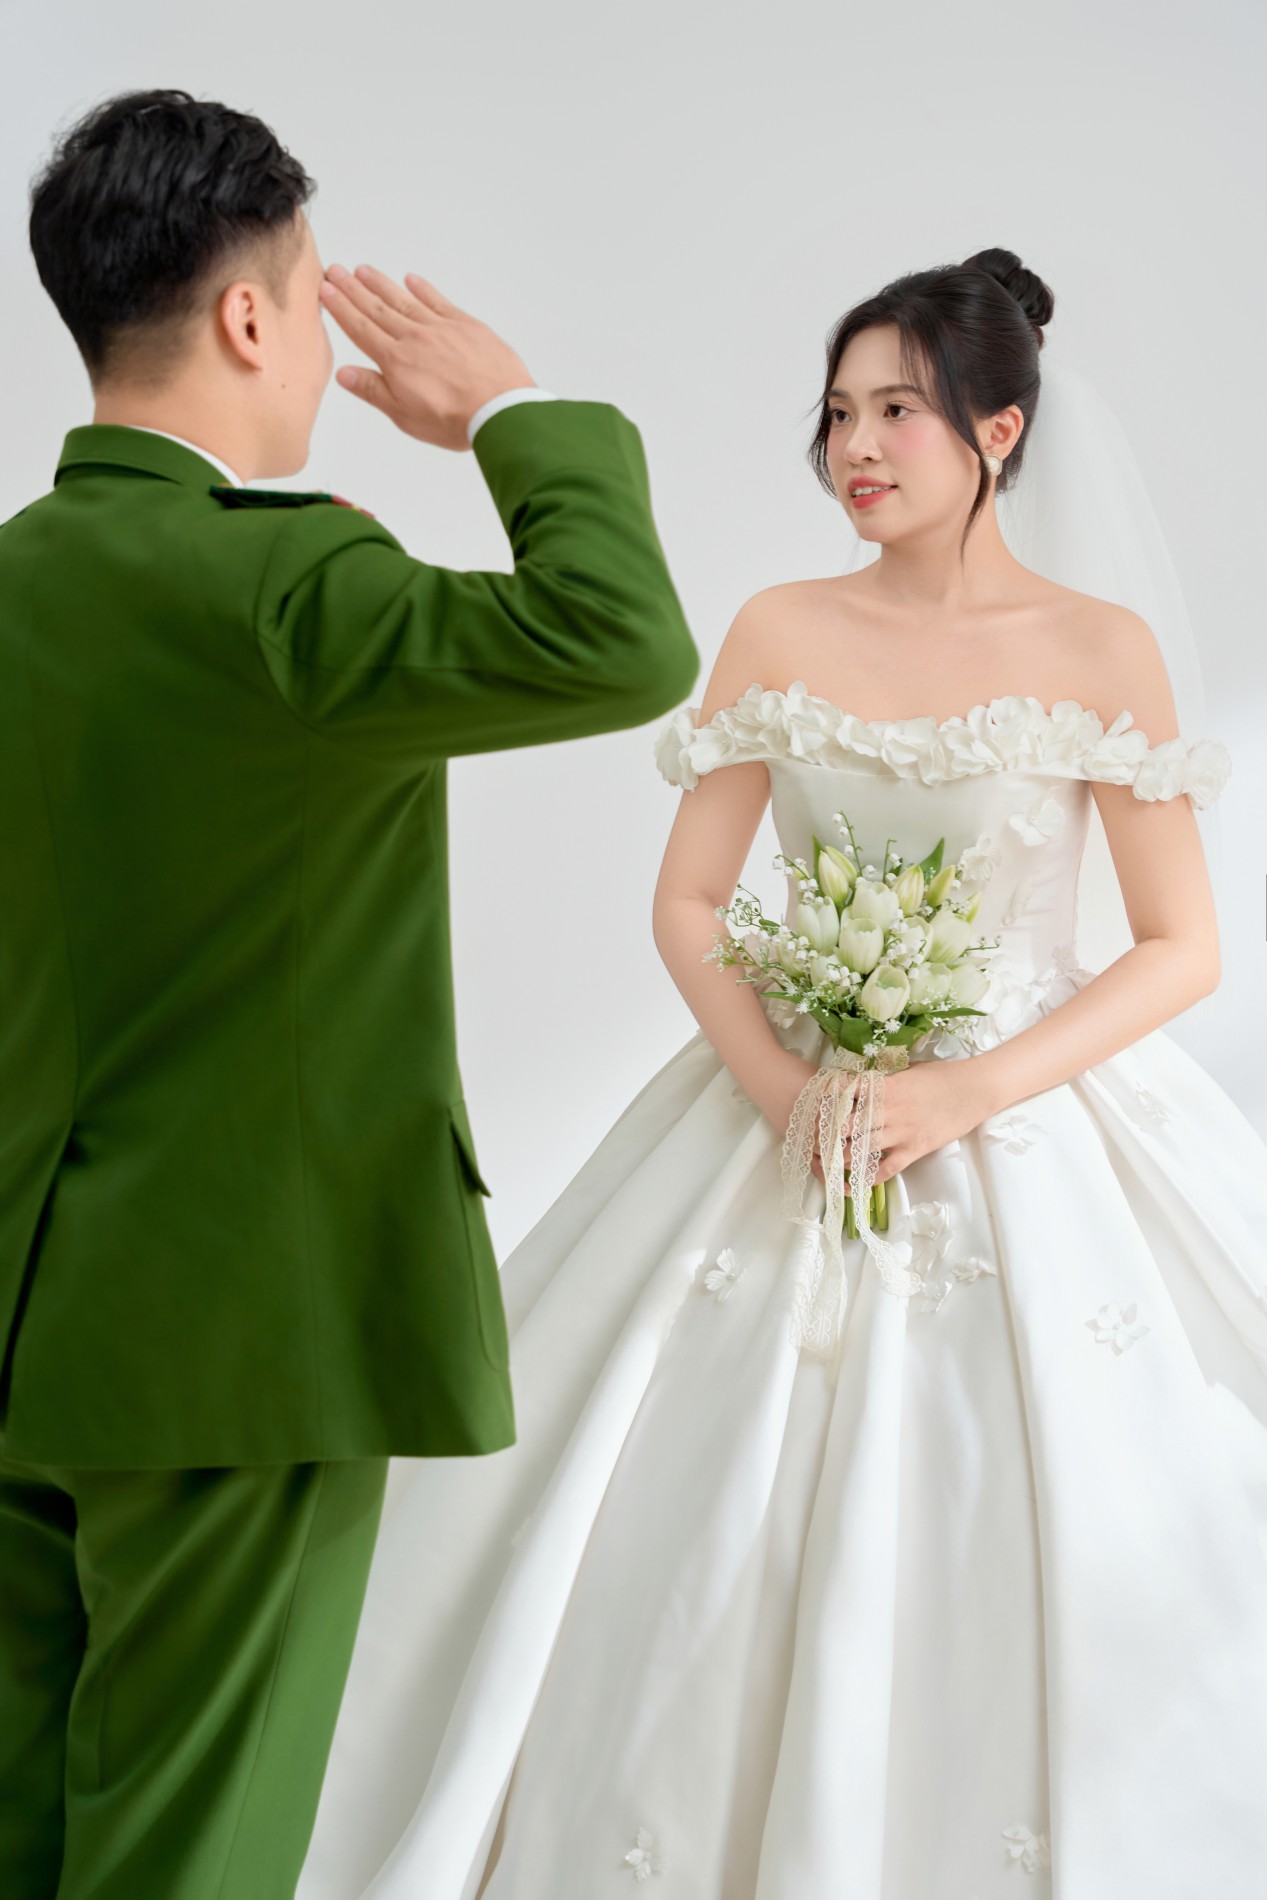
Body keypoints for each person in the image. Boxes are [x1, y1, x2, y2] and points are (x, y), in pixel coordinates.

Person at [296, 248, 1267, 1898]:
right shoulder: (778, 627)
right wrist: (780, 1088)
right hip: (788, 1105)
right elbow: (689, 901)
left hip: (1023, 1114)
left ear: (1001, 429)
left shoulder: (1097, 647)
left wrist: (966, 1091)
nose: (855, 446)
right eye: (837, 412)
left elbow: (1183, 948)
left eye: (898, 410)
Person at [0, 87, 697, 1899]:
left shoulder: (19, 581)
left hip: (24, 1317)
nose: (320, 342)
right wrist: (512, 415)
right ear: (248, 316)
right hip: (240, 1343)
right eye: (312, 301)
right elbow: (622, 639)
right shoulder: (289, 586)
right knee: (191, 1854)